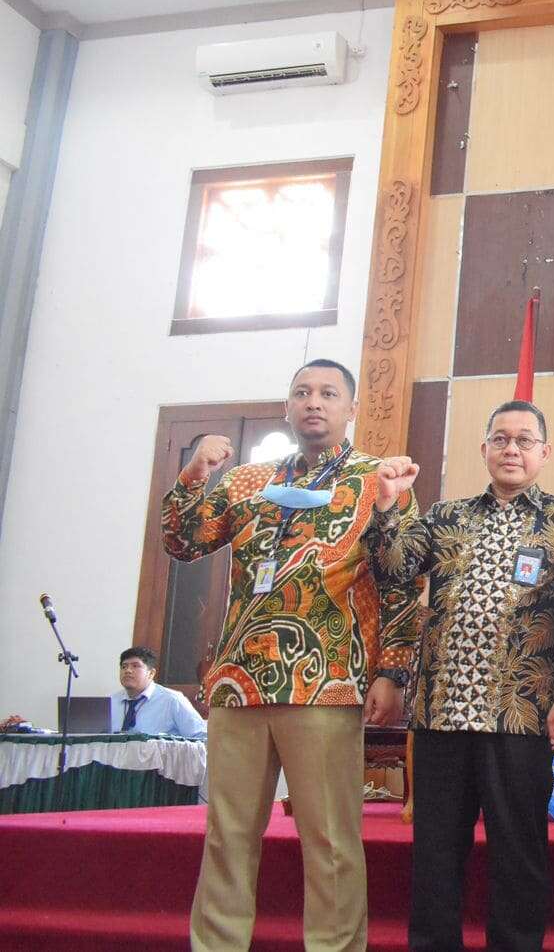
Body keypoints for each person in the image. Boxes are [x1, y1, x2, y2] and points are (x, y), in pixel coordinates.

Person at [162, 358, 422, 952]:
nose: (314, 402)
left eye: (329, 393)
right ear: (287, 406)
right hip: (239, 682)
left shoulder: (378, 478)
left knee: (330, 841)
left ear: (351, 408)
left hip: (325, 682)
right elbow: (182, 543)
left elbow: (403, 581)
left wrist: (392, 672)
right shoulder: (247, 481)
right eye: (302, 392)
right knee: (227, 836)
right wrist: (195, 474)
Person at [366, 399, 554, 952]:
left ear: (545, 452)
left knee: (519, 854)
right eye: (501, 439)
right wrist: (389, 506)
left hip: (520, 714)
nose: (511, 449)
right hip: (441, 714)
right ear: (484, 448)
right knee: (436, 854)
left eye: (524, 440)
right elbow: (393, 571)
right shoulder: (446, 516)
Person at [112, 646, 207, 738]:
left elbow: (200, 736)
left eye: (135, 666)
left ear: (151, 673)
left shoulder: (172, 700)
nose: (128, 670)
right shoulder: (111, 701)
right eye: (124, 666)